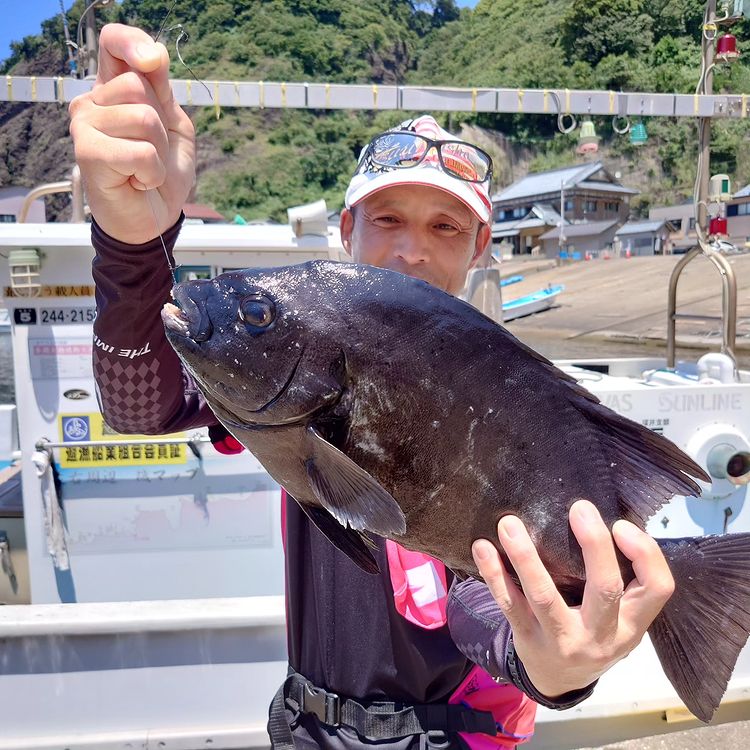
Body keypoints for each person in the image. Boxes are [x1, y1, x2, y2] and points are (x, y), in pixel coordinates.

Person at [69, 23, 676, 750]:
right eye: (387, 218)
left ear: (481, 246)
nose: (411, 247)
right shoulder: (303, 356)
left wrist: (551, 666)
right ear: (347, 228)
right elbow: (142, 405)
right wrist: (133, 241)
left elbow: (475, 599)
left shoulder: (508, 392)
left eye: (446, 226)